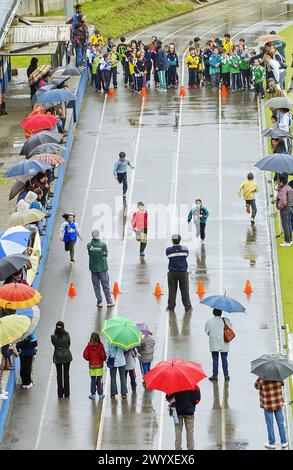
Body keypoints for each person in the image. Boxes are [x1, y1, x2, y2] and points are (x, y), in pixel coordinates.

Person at [254, 377, 288, 449]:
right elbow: (282, 383)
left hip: (268, 404)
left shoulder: (261, 377)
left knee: (270, 424)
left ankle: (272, 442)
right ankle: (284, 442)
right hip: (278, 402)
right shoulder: (278, 376)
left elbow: (256, 386)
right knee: (281, 423)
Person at [166, 234, 193, 314]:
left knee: (172, 291)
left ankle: (171, 307)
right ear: (180, 240)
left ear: (172, 240)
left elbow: (168, 256)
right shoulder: (185, 249)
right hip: (183, 272)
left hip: (172, 273)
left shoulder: (169, 250)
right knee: (185, 291)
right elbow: (186, 255)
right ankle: (187, 307)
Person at [87, 229, 114, 307]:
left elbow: (89, 254)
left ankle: (99, 301)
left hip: (93, 268)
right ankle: (109, 301)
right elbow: (105, 254)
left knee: (96, 285)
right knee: (105, 285)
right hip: (102, 268)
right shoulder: (103, 244)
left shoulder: (89, 245)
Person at [205, 308, 233, 381]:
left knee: (215, 359)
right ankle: (226, 375)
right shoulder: (226, 320)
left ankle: (215, 376)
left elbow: (207, 332)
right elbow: (231, 330)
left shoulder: (210, 322)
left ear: (213, 313)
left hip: (214, 344)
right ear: (221, 313)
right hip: (224, 343)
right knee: (224, 359)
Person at [51, 321, 72, 398]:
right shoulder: (67, 335)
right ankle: (67, 393)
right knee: (66, 374)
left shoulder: (53, 337)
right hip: (67, 356)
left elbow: (54, 344)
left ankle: (60, 393)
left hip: (57, 356)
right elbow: (69, 344)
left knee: (59, 375)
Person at [83, 332, 106, 400]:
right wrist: (104, 359)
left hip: (92, 366)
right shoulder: (100, 346)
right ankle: (100, 393)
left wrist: (89, 359)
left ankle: (93, 394)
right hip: (99, 366)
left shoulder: (88, 346)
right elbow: (103, 355)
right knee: (99, 380)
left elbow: (85, 355)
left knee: (93, 380)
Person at [276, 176, 293, 247]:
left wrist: (278, 206)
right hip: (290, 207)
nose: (278, 183)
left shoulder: (283, 190)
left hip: (285, 209)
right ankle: (290, 240)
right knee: (289, 224)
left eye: (279, 182)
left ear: (282, 182)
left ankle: (287, 241)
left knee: (285, 225)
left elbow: (283, 201)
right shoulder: (289, 188)